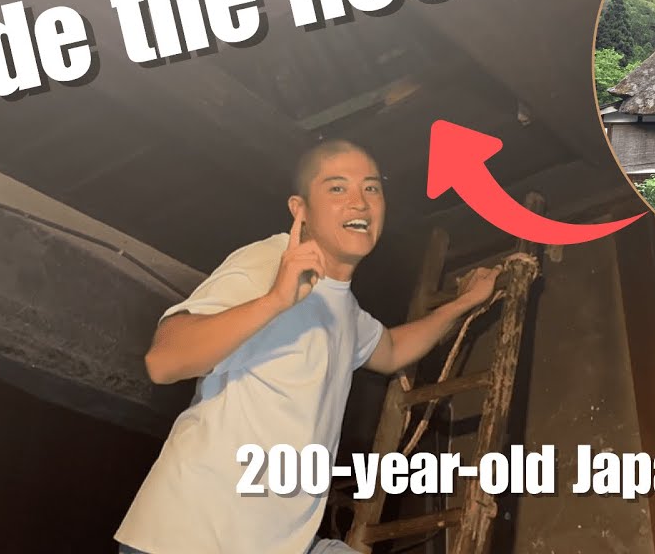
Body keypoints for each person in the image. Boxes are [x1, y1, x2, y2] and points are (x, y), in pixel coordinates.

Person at [115, 139, 499, 554]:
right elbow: (164, 359)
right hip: (191, 538)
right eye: (337, 188)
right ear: (301, 209)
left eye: (371, 189)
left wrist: (464, 303)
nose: (359, 203)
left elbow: (389, 350)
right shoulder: (269, 262)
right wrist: (275, 299)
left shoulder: (344, 308)